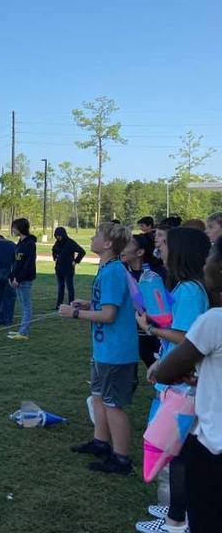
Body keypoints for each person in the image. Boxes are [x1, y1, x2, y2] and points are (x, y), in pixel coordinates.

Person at [134, 228, 210, 533]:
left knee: (176, 453)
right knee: (176, 452)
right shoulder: (186, 287)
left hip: (181, 386)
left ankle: (176, 521)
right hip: (175, 381)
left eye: (165, 244)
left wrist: (150, 329)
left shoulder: (191, 290)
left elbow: (185, 338)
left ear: (180, 250)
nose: (159, 249)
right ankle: (176, 509)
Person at [153, 237, 222, 533]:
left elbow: (166, 371)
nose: (206, 263)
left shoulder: (215, 320)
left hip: (213, 446)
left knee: (207, 520)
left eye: (211, 256)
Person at [58, 222, 137, 474]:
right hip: (103, 349)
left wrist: (74, 314)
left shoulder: (114, 271)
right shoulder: (107, 269)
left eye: (96, 235)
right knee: (98, 397)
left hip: (116, 351)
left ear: (108, 244)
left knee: (113, 405)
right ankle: (100, 443)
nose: (92, 238)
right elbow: (105, 304)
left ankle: (122, 459)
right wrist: (87, 303)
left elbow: (109, 315)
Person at [121, 233, 167, 369]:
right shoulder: (121, 271)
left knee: (161, 370)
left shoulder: (158, 274)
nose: (121, 249)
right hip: (132, 332)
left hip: (156, 333)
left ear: (140, 252)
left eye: (126, 245)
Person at [7, 218, 37, 341]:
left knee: (26, 307)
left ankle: (23, 333)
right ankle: (21, 330)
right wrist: (11, 276)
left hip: (24, 280)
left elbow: (28, 265)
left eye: (14, 227)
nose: (12, 230)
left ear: (20, 228)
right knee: (23, 306)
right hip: (16, 279)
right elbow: (15, 262)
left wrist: (18, 279)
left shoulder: (30, 244)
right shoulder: (20, 242)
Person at [51, 226, 86, 309]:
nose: (58, 237)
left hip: (68, 268)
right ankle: (59, 304)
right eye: (56, 236)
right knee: (60, 287)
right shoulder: (57, 243)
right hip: (59, 268)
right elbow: (53, 250)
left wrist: (76, 261)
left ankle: (71, 304)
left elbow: (82, 252)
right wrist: (55, 257)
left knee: (70, 287)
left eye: (60, 236)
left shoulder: (70, 243)